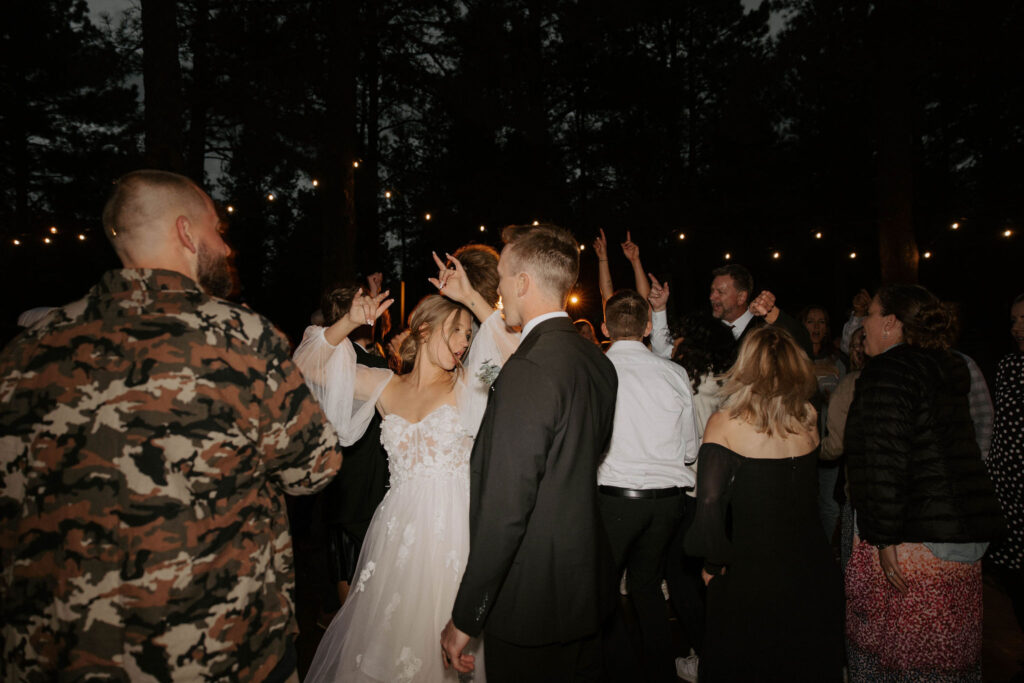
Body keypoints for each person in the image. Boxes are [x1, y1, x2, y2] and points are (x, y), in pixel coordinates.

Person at [0, 169, 344, 682]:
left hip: (60, 650)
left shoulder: (26, 348)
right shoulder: (240, 338)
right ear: (186, 233)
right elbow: (314, 469)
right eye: (217, 230)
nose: (226, 248)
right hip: (213, 649)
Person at [297, 252, 517, 683]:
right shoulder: (385, 385)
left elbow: (521, 359)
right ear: (423, 328)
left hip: (457, 533)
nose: (462, 343)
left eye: (468, 335)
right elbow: (307, 367)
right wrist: (348, 324)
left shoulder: (473, 384)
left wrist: (472, 299)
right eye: (455, 331)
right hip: (396, 535)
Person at [441, 223, 618, 683]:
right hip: (585, 587)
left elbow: (505, 508)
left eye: (501, 277)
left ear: (522, 283)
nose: (499, 290)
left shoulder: (527, 371)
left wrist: (466, 617)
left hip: (533, 597)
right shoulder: (597, 360)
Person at [844, 284, 1005, 681]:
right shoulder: (949, 367)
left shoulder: (888, 371)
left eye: (872, 314)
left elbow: (885, 462)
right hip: (959, 531)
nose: (864, 322)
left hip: (914, 539)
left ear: (891, 323)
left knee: (901, 650)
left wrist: (883, 539)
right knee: (949, 651)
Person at [684, 325, 844, 682]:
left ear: (745, 366)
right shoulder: (808, 416)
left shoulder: (725, 423)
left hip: (753, 572)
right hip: (812, 565)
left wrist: (711, 567)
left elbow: (709, 507)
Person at [597, 289, 697, 683]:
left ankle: (616, 670)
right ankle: (660, 672)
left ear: (604, 327)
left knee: (600, 590)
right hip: (668, 504)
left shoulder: (597, 368)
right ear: (648, 326)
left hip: (614, 500)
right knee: (647, 587)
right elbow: (690, 449)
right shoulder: (674, 373)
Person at [317, 277, 391, 612]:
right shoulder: (374, 367)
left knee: (342, 562)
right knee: (360, 567)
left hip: (335, 482)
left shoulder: (323, 362)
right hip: (364, 486)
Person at [650, 264, 812, 361]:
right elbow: (663, 353)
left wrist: (772, 314)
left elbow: (803, 346)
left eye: (720, 292)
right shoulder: (706, 332)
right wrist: (658, 309)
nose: (712, 297)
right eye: (712, 291)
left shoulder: (762, 329)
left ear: (741, 297)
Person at [987, 292, 1024, 639]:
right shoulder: (1009, 367)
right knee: (1014, 580)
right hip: (1010, 496)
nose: (1017, 328)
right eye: (1014, 320)